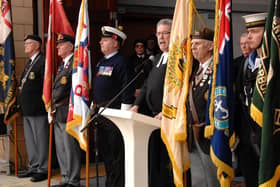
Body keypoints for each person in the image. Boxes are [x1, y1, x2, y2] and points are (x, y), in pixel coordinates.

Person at [130, 18, 174, 187]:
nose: (161, 38)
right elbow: (147, 84)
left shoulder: (177, 60)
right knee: (154, 161)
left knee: (165, 163)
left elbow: (178, 91)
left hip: (167, 117)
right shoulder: (158, 58)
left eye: (165, 33)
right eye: (159, 34)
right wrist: (136, 105)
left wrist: (167, 110)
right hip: (151, 117)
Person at [91, 26, 134, 187]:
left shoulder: (121, 62)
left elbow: (127, 88)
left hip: (115, 115)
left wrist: (123, 115)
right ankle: (110, 182)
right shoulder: (102, 61)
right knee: (106, 154)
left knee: (117, 155)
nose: (101, 42)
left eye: (105, 39)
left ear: (116, 43)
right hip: (101, 114)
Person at [235, 12, 266, 187]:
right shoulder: (247, 63)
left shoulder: (274, 65)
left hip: (269, 138)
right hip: (248, 138)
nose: (249, 36)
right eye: (248, 31)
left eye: (254, 31)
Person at [186, 27, 219, 187]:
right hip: (193, 134)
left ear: (211, 46)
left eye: (197, 44)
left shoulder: (218, 70)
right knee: (198, 180)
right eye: (192, 44)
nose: (193, 48)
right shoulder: (194, 70)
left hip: (210, 135)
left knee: (212, 180)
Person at [17, 34, 48, 182]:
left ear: (37, 45)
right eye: (25, 44)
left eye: (28, 43)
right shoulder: (30, 63)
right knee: (30, 140)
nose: (25, 46)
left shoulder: (42, 61)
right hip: (27, 109)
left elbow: (46, 86)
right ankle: (34, 166)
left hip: (38, 108)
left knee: (41, 140)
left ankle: (43, 169)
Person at [51, 33, 81, 187]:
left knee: (70, 147)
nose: (58, 47)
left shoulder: (74, 65)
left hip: (67, 111)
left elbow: (67, 89)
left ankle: (73, 179)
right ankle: (65, 177)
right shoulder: (63, 64)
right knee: (61, 147)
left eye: (61, 44)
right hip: (58, 111)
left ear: (70, 46)